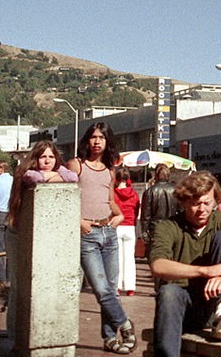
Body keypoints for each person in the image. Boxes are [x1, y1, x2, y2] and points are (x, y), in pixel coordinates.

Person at [149, 171, 221, 354]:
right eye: (195, 204)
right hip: (182, 306)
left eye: (207, 203)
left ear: (215, 201)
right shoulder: (168, 226)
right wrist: (205, 271)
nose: (202, 210)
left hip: (213, 302)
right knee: (168, 292)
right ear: (183, 202)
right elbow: (158, 265)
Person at [67, 123, 135, 354]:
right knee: (101, 290)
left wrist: (119, 216)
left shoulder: (109, 170)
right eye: (93, 137)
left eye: (101, 138)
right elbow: (66, 198)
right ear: (87, 140)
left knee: (112, 290)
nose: (97, 142)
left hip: (109, 233)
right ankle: (125, 324)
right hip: (87, 235)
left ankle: (109, 338)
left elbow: (111, 201)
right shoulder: (76, 165)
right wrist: (79, 222)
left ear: (108, 142)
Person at [7, 140, 78, 338]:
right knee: (17, 286)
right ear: (35, 158)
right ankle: (13, 336)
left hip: (39, 234)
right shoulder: (25, 173)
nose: (47, 161)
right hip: (16, 232)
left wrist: (56, 172)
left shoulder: (57, 170)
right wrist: (56, 175)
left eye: (51, 157)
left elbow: (72, 177)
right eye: (43, 157)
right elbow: (38, 179)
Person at [114, 166, 140, 296]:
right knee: (130, 258)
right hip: (130, 226)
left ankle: (117, 286)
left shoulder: (113, 193)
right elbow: (136, 210)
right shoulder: (134, 194)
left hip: (117, 226)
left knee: (117, 258)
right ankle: (130, 287)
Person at [141, 164, 178, 255]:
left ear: (156, 175)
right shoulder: (175, 190)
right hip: (172, 227)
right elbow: (181, 211)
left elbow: (146, 215)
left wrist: (144, 232)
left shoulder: (150, 191)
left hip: (155, 229)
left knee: (157, 256)